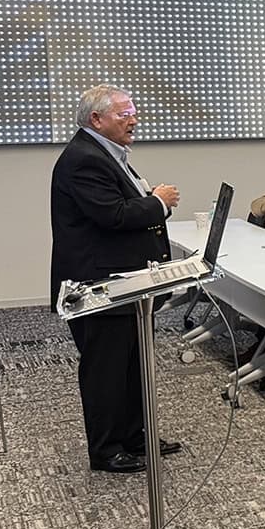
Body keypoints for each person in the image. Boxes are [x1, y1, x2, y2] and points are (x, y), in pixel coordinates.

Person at [49, 85, 180, 473]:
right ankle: (106, 450)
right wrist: (158, 201)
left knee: (131, 365)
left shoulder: (107, 154)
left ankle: (135, 435)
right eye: (124, 113)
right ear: (96, 119)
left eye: (133, 111)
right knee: (106, 371)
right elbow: (114, 215)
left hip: (126, 286)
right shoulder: (83, 160)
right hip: (99, 288)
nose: (134, 119)